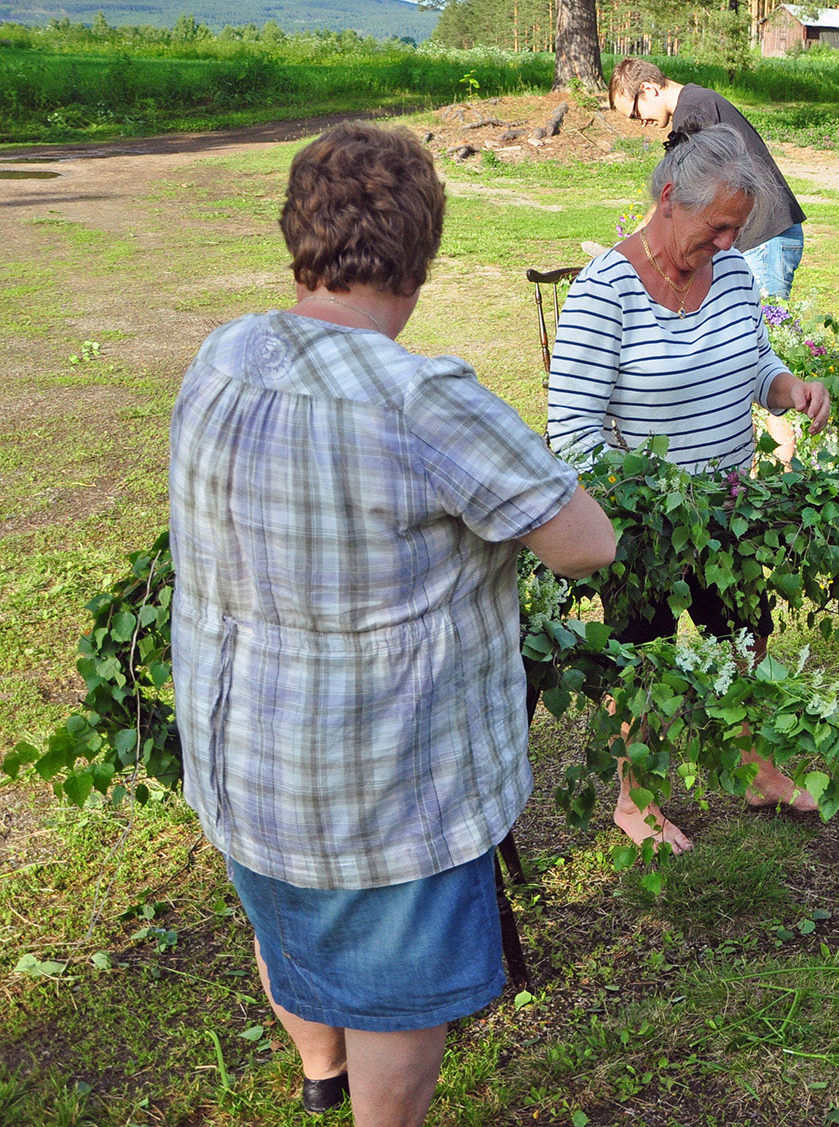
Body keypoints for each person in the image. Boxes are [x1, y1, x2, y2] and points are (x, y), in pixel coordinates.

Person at [169, 122, 616, 1125]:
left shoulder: (224, 354)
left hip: (244, 760)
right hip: (379, 789)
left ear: (301, 235)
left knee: (287, 925)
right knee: (395, 998)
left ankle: (317, 1072)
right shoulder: (421, 401)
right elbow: (586, 541)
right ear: (420, 254)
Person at [547, 124, 833, 849]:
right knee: (640, 661)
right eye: (719, 226)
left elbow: (755, 363)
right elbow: (571, 434)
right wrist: (644, 502)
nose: (730, 243)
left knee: (746, 638)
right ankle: (633, 799)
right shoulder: (603, 293)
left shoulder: (733, 273)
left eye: (737, 229)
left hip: (728, 514)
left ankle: (751, 763)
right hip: (642, 529)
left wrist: (787, 386)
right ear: (670, 198)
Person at [610, 57, 808, 303]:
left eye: (635, 112)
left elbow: (674, 191)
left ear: (648, 89)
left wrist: (631, 245)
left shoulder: (694, 111)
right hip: (763, 237)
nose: (640, 122)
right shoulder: (696, 102)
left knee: (763, 328)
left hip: (765, 236)